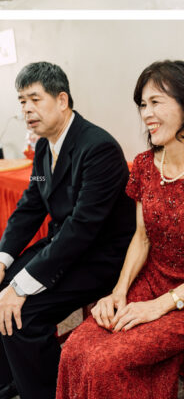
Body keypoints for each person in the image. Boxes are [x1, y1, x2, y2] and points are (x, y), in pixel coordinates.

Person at [56, 60, 184, 398]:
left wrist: (161, 306)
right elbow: (141, 238)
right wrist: (119, 291)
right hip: (150, 282)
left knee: (104, 362)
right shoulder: (145, 165)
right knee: (74, 349)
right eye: (142, 105)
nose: (146, 114)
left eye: (156, 102)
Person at [0, 63, 135, 399]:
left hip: (101, 257)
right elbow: (31, 205)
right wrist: (3, 259)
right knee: (2, 287)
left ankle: (48, 392)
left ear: (62, 100)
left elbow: (83, 227)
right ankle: (11, 379)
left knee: (24, 312)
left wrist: (22, 285)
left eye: (35, 99)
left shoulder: (98, 148)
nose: (26, 109)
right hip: (65, 247)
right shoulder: (44, 148)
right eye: (22, 101)